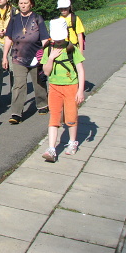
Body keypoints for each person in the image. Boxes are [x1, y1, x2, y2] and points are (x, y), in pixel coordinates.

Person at [40, 19, 85, 162]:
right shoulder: (48, 49)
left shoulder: (72, 49)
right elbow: (46, 72)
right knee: (54, 117)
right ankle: (51, 148)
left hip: (71, 87)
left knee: (71, 116)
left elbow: (80, 71)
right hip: (54, 87)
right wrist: (51, 58)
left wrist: (80, 91)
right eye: (56, 38)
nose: (58, 41)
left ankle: (72, 142)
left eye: (60, 38)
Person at [2, 0, 50, 124]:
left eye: (25, 3)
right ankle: (16, 113)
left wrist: (44, 54)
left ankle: (42, 104)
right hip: (18, 57)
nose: (23, 5)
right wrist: (4, 56)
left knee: (38, 82)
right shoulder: (14, 19)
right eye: (21, 3)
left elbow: (45, 38)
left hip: (36, 56)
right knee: (19, 85)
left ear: (31, 4)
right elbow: (8, 38)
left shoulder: (37, 18)